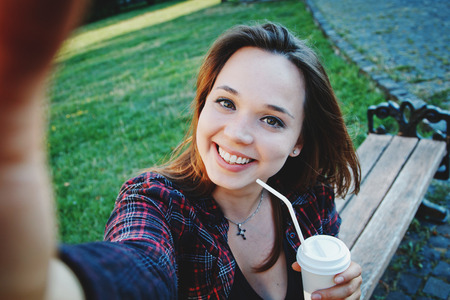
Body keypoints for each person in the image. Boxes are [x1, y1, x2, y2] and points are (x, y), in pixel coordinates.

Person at [0, 1, 362, 299]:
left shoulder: (309, 194)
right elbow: (141, 267)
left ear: (298, 142)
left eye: (271, 120)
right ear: (203, 105)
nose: (237, 134)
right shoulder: (156, 203)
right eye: (226, 103)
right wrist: (44, 287)